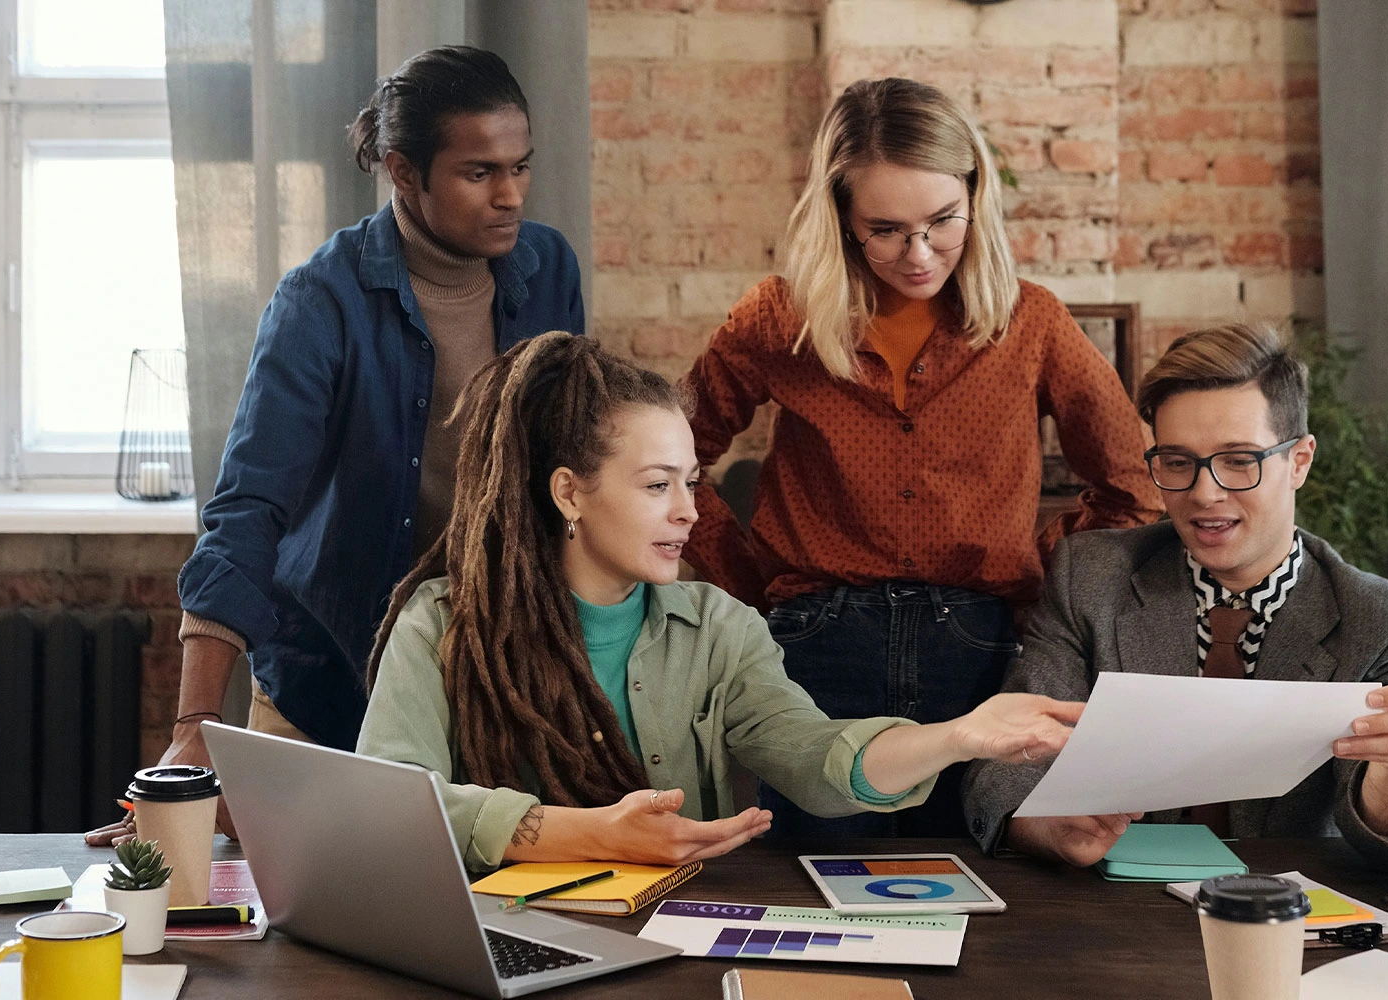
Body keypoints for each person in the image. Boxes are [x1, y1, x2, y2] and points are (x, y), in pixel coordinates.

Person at [87, 46, 583, 846]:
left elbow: (568, 468)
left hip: (494, 684)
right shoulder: (320, 299)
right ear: (402, 171)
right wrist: (194, 727)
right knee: (304, 944)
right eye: (480, 172)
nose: (511, 196)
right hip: (331, 681)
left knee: (480, 930)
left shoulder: (548, 267)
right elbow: (249, 508)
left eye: (521, 167)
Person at [356, 333, 1086, 871]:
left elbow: (813, 757)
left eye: (691, 480)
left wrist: (959, 736)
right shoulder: (443, 624)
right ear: (569, 490)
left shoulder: (720, 628)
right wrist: (585, 834)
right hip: (502, 947)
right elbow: (390, 806)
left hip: (677, 942)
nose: (689, 512)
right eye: (655, 485)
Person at [682, 77, 1162, 840]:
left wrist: (1034, 565)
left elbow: (1135, 488)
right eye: (886, 229)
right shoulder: (779, 320)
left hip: (975, 648)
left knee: (977, 883)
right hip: (815, 647)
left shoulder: (1030, 322)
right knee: (814, 884)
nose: (919, 253)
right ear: (841, 216)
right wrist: (747, 588)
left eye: (943, 221)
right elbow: (676, 460)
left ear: (976, 193)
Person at [963, 323, 1388, 873]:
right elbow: (1005, 762)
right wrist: (1043, 824)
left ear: (1299, 461)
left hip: (1290, 916)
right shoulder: (1091, 575)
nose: (1205, 493)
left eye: (1239, 460)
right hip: (1115, 913)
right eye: (1177, 462)